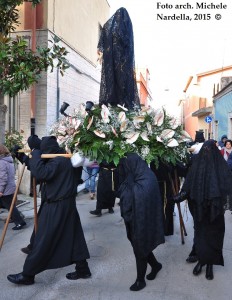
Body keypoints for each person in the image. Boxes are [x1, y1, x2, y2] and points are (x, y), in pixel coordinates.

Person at [7, 136, 90, 285]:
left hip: (57, 206)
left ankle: (28, 274)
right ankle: (83, 269)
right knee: (74, 236)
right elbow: (39, 168)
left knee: (43, 240)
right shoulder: (61, 159)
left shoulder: (59, 161)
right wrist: (23, 157)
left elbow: (42, 173)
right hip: (64, 204)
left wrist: (36, 152)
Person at [173, 140, 232, 280]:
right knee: (201, 237)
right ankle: (201, 261)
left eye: (209, 150)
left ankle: (210, 265)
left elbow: (228, 186)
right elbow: (187, 185)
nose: (207, 152)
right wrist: (178, 196)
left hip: (215, 212)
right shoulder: (196, 166)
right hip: (199, 210)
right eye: (204, 149)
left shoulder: (222, 167)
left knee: (213, 237)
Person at [117, 153, 165, 291]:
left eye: (127, 166)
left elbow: (134, 196)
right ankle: (156, 265)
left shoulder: (146, 179)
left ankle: (140, 280)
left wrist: (128, 192)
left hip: (143, 221)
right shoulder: (137, 176)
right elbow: (123, 191)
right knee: (140, 246)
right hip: (135, 220)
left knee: (140, 247)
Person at [97, 7, 140, 110]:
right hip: (116, 64)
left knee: (119, 84)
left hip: (118, 65)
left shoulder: (112, 29)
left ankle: (120, 104)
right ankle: (118, 104)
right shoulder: (116, 29)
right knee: (117, 84)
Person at [0, 144, 26, 230]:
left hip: (5, 189)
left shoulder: (2, 162)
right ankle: (17, 218)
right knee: (10, 206)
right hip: (10, 187)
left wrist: (1, 190)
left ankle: (19, 222)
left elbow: (3, 178)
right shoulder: (9, 160)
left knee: (10, 206)